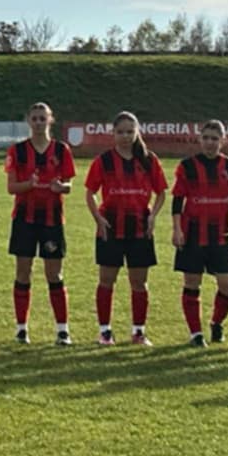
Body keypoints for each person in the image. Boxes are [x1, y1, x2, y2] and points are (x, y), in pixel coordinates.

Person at [84, 111, 167, 346]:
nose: (125, 136)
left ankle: (139, 332)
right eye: (121, 132)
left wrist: (153, 216)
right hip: (110, 226)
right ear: (113, 133)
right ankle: (105, 331)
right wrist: (98, 219)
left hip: (140, 227)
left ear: (137, 132)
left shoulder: (148, 159)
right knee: (106, 280)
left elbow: (161, 192)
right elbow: (89, 192)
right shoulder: (104, 161)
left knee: (139, 282)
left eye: (130, 131)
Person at [4, 101, 77, 345]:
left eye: (42, 118)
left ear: (50, 120)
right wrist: (29, 185)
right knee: (23, 273)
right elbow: (11, 187)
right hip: (24, 219)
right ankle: (21, 329)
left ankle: (62, 330)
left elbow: (69, 185)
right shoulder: (18, 151)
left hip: (52, 220)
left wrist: (61, 187)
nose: (38, 122)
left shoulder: (61, 150)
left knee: (54, 274)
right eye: (34, 118)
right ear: (28, 121)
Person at [172, 120, 228, 346]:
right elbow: (177, 201)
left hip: (220, 234)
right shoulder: (187, 166)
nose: (210, 142)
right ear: (199, 139)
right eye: (206, 138)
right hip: (192, 232)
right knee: (192, 283)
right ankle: (196, 333)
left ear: (223, 141)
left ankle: (216, 323)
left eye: (215, 138)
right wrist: (177, 230)